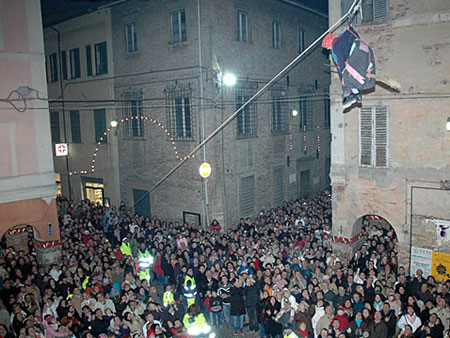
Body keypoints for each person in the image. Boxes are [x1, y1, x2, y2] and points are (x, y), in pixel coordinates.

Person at [322, 26, 375, 111]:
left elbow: (340, 63)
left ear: (329, 43)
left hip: (358, 52)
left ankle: (350, 94)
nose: (329, 49)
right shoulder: (343, 38)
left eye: (328, 47)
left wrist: (343, 76)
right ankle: (356, 94)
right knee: (354, 75)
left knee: (347, 76)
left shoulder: (335, 46)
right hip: (365, 50)